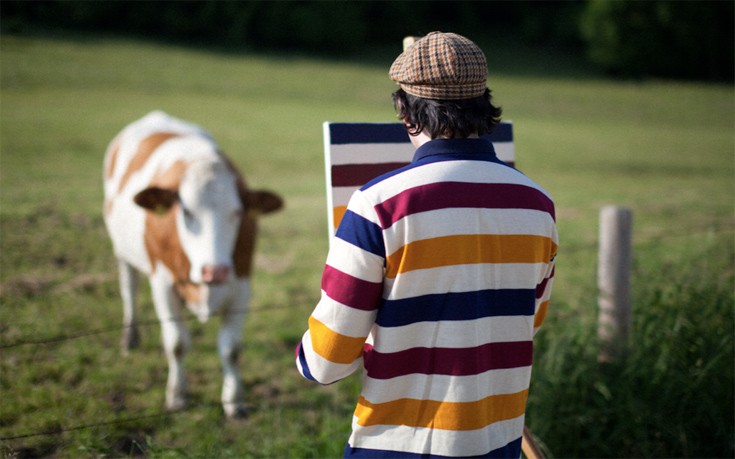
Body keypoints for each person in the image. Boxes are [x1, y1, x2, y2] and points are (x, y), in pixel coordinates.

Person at [296, 31, 557, 458]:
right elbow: (528, 321)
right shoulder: (538, 205)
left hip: (398, 446)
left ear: (405, 111)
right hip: (499, 443)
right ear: (484, 105)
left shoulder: (377, 205)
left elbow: (327, 362)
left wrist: (314, 355)